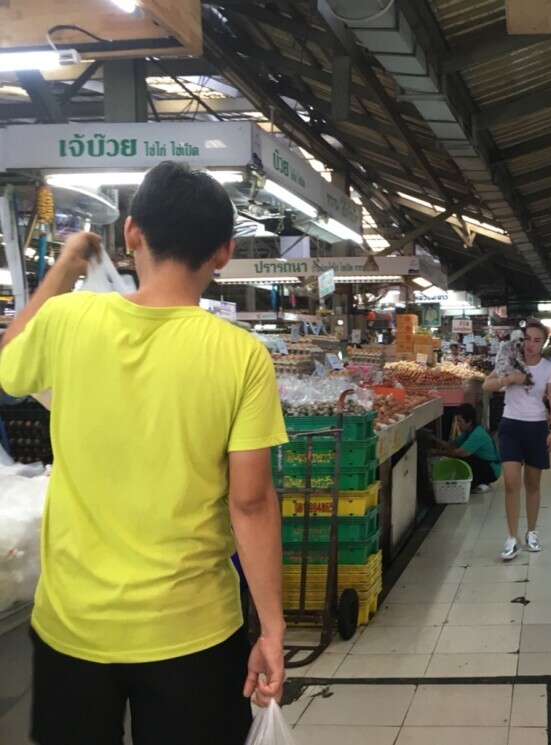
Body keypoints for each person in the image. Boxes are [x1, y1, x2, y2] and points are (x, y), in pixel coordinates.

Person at [0, 162, 287, 744]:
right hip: (193, 629)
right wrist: (273, 628)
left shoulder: (68, 319)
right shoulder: (241, 356)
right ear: (224, 252)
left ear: (132, 234)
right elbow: (251, 503)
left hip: (74, 627)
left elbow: (9, 362)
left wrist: (64, 267)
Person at [482, 321, 551, 560]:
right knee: (511, 482)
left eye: (537, 341)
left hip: (536, 427)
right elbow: (486, 385)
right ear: (521, 339)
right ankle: (512, 537)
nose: (531, 344)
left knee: (533, 484)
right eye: (528, 338)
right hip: (510, 426)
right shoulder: (510, 361)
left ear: (543, 345)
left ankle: (531, 531)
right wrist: (510, 379)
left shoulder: (549, 368)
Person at [428, 403, 501, 493]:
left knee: (463, 457)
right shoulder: (467, 432)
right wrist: (434, 438)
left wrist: (437, 452)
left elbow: (460, 453)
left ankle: (484, 483)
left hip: (491, 470)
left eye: (459, 421)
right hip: (483, 464)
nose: (457, 424)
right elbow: (452, 446)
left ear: (469, 421)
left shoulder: (477, 434)